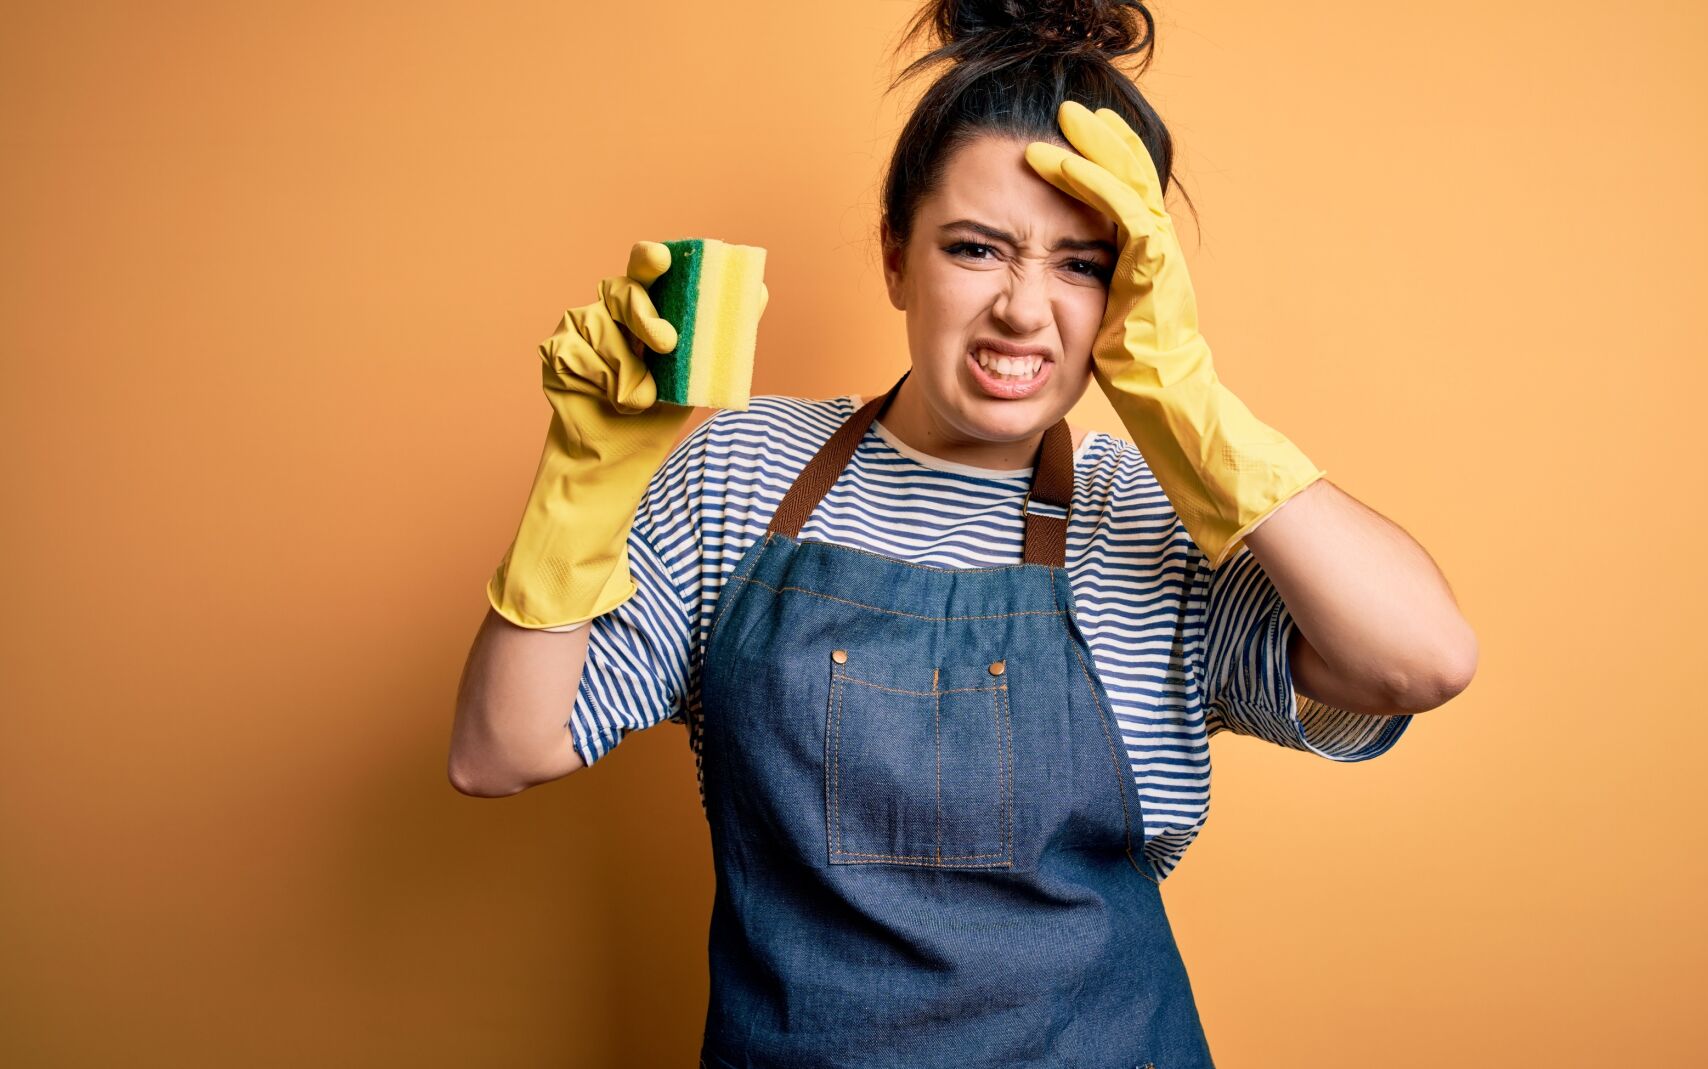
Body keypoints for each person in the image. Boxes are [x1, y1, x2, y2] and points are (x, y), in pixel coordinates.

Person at [450, 1, 1477, 1064]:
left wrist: (1197, 412)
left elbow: (1423, 659)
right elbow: (499, 748)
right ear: (896, 257)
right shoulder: (742, 473)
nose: (1025, 310)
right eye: (977, 249)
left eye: (1083, 263)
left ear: (1136, 291)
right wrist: (579, 481)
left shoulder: (1156, 517)